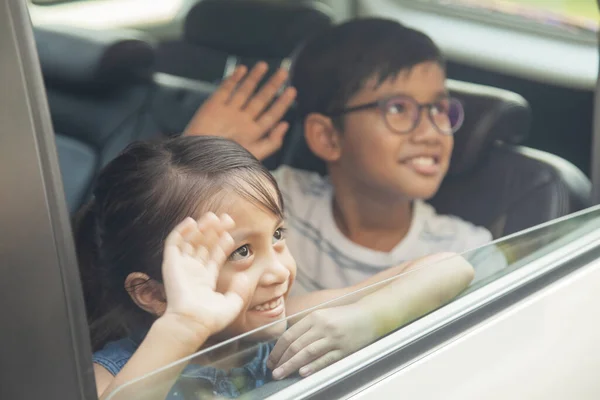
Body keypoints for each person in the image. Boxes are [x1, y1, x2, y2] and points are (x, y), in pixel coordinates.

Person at [76, 135, 474, 399]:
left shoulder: (290, 332)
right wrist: (185, 325)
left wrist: (367, 318)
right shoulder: (109, 376)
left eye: (278, 236)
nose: (279, 272)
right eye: (241, 252)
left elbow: (451, 267)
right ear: (154, 293)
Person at [183, 17, 507, 294]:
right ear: (327, 137)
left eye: (437, 108)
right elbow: (175, 261)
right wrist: (195, 155)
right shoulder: (275, 203)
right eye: (397, 108)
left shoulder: (468, 251)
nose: (430, 131)